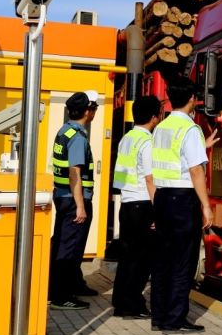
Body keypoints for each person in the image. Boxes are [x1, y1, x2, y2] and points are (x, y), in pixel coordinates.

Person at [150, 76, 218, 332]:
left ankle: (159, 317)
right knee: (183, 262)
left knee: (162, 261)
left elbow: (172, 159)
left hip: (163, 198)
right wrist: (206, 206)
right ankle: (175, 319)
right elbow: (195, 171)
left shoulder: (162, 128)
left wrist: (202, 147)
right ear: (192, 99)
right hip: (182, 199)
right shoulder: (190, 129)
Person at [111, 96, 162, 318]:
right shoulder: (148, 142)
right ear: (154, 117)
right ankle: (133, 303)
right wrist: (158, 210)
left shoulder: (127, 139)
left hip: (127, 203)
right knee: (142, 259)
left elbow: (121, 175)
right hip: (143, 203)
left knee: (128, 255)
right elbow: (150, 179)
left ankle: (121, 301)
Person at [49, 90, 99, 310]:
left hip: (63, 196)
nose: (95, 112)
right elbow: (74, 173)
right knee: (69, 248)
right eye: (94, 108)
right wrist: (80, 206)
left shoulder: (64, 131)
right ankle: (61, 296)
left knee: (65, 243)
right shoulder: (78, 137)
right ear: (88, 111)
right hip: (73, 199)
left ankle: (73, 285)